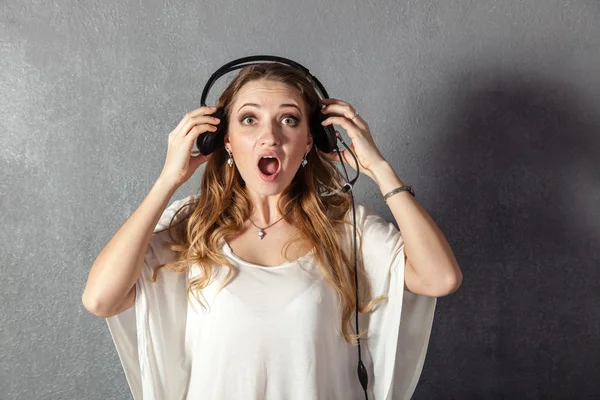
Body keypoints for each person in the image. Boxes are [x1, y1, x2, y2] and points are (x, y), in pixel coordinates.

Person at [82, 62, 462, 400]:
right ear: (225, 141)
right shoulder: (190, 225)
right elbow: (101, 300)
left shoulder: (345, 225)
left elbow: (440, 278)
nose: (271, 137)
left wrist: (378, 167)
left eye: (289, 120)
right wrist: (168, 180)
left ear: (310, 142)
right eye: (249, 119)